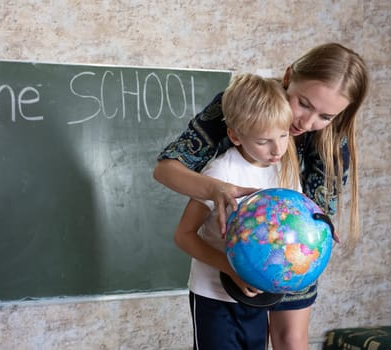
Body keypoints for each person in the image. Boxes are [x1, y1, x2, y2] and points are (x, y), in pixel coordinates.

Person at [155, 43, 369, 349]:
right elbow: (166, 170)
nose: (306, 124)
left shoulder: (335, 143)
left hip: (289, 252)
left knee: (290, 339)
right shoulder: (244, 106)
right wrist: (215, 189)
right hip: (227, 275)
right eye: (303, 103)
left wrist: (318, 226)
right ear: (288, 77)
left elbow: (316, 211)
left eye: (325, 116)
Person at [173, 73, 301, 349]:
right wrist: (229, 268)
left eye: (283, 134)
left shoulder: (286, 171)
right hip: (214, 297)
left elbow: (296, 223)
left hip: (258, 295)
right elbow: (183, 235)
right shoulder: (220, 172)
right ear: (235, 135)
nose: (277, 149)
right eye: (263, 141)